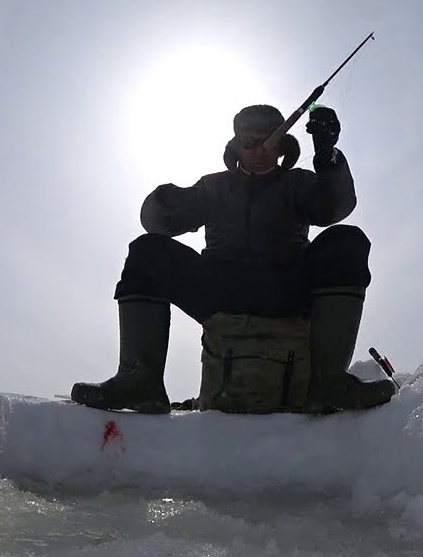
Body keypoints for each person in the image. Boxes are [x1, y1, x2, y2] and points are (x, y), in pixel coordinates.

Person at [71, 104, 397, 414]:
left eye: (270, 143)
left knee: (346, 241)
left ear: (282, 146)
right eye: (251, 143)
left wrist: (328, 157)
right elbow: (155, 223)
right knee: (146, 252)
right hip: (220, 289)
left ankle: (328, 383)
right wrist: (165, 202)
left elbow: (335, 207)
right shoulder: (214, 187)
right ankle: (139, 380)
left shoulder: (298, 183)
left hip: (285, 287)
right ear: (236, 145)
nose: (260, 151)